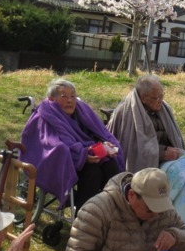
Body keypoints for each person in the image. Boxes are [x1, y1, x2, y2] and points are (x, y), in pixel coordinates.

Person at [107, 74, 185, 237]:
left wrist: (174, 151)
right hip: (151, 163)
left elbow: (174, 135)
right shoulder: (127, 112)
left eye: (162, 95)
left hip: (172, 156)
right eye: (157, 97)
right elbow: (131, 147)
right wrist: (162, 152)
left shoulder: (162, 107)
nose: (161, 100)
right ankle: (180, 228)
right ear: (144, 97)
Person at [20, 78, 125, 211]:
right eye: (64, 96)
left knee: (112, 166)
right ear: (52, 99)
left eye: (73, 96)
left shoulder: (82, 111)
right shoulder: (45, 115)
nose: (70, 100)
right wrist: (82, 155)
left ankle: (113, 212)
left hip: (88, 153)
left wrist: (106, 145)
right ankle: (84, 219)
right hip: (64, 161)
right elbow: (51, 144)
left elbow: (100, 132)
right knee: (92, 173)